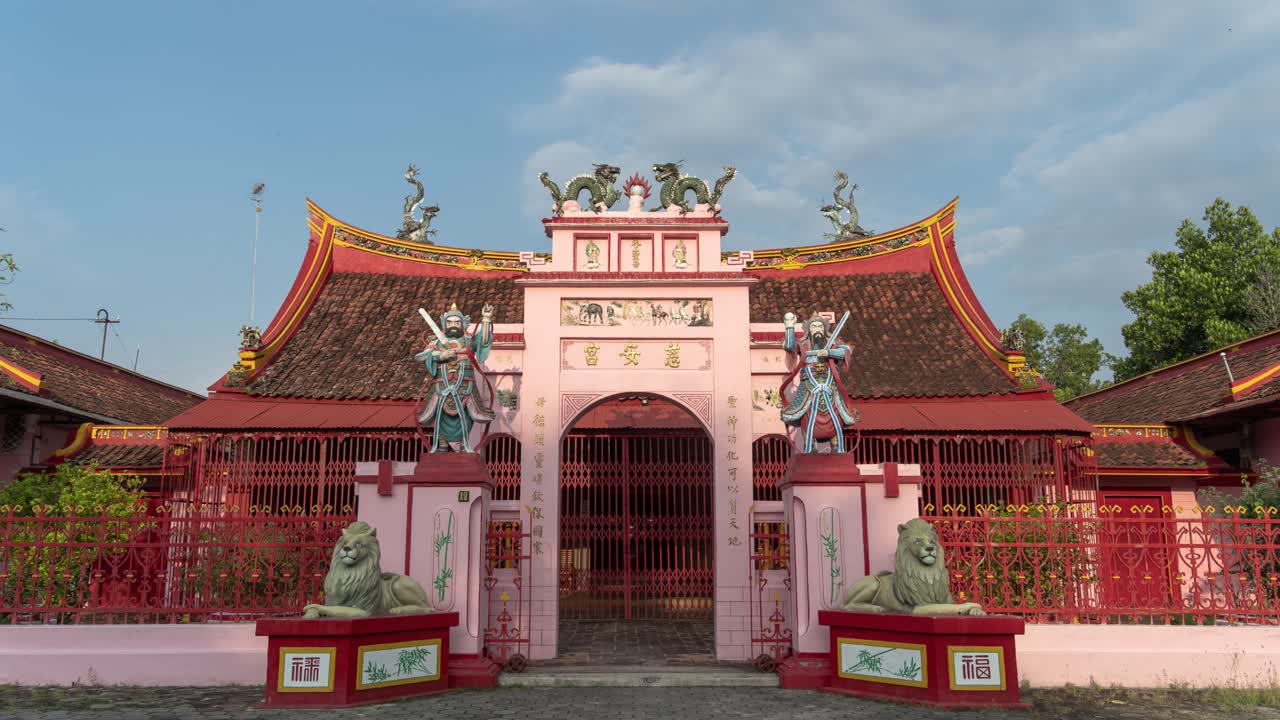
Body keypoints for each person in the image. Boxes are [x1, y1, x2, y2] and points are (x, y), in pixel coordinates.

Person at [415, 302, 496, 452]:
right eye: (450, 322)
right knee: (440, 413)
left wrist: (485, 319)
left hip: (465, 385)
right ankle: (442, 444)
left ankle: (465, 443)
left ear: (463, 324)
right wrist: (441, 355)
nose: (454, 325)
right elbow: (422, 356)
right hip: (442, 385)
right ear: (444, 324)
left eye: (457, 322)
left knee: (466, 414)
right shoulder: (437, 342)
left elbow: (483, 341)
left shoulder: (468, 341)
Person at [781, 312, 858, 453]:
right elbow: (789, 346)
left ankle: (836, 446)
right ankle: (809, 446)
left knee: (836, 413)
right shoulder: (803, 344)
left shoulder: (834, 343)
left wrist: (829, 353)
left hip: (830, 385)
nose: (817, 329)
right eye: (814, 326)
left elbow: (845, 352)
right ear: (809, 330)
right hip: (808, 385)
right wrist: (789, 326)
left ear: (825, 329)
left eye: (820, 326)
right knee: (804, 414)